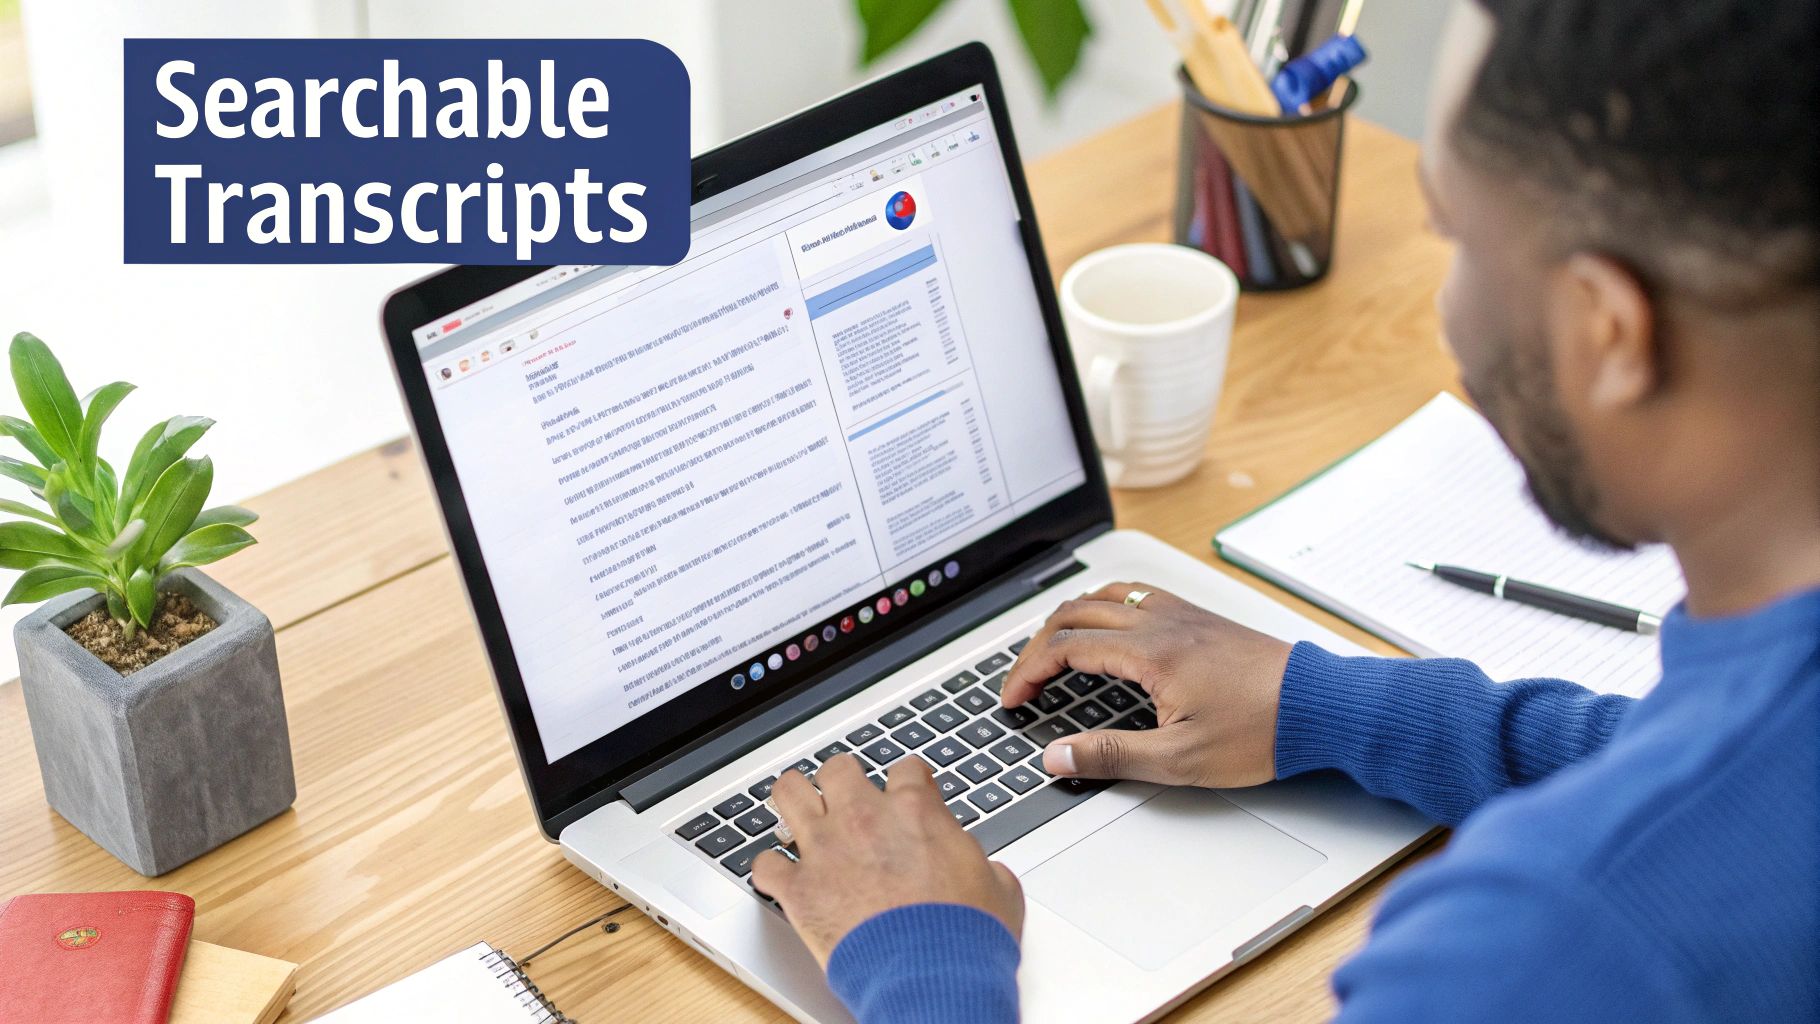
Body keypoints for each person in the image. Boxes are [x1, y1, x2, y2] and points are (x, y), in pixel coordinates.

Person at [749, 0, 1820, 1018]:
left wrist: (925, 958)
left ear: (1607, 329)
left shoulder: (1538, 949)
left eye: (1454, 237)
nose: (1447, 303)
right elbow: (1745, 795)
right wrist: (1337, 706)